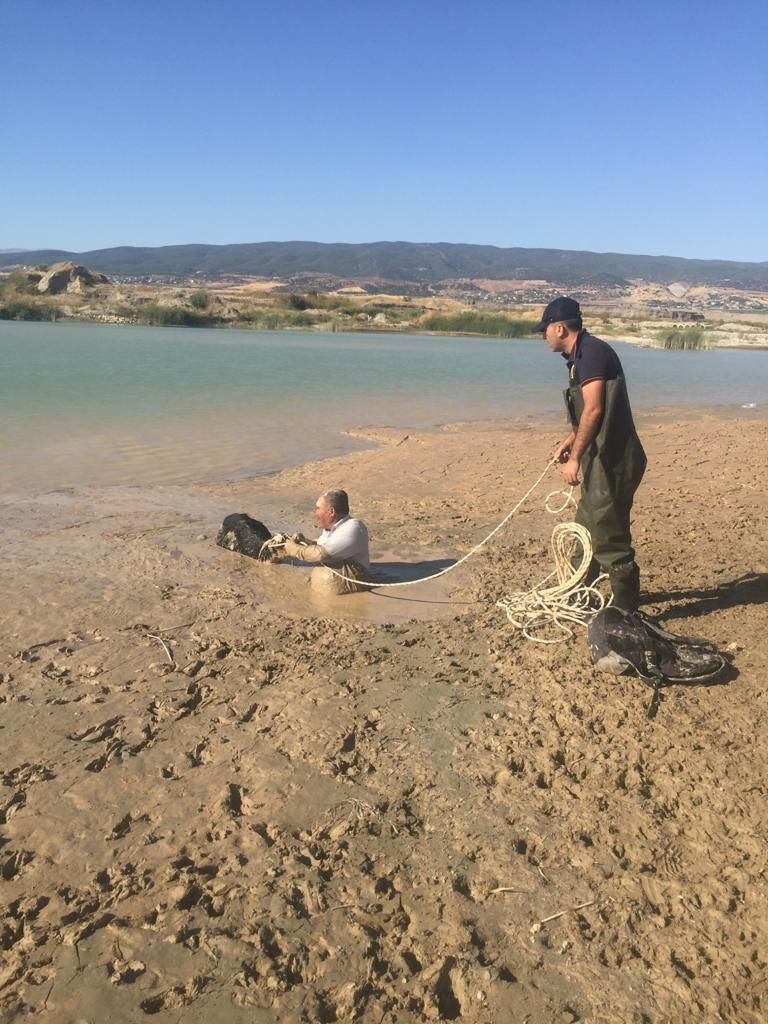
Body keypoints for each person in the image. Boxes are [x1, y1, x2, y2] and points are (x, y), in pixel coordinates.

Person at [534, 296, 647, 611]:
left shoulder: (591, 353)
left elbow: (595, 409)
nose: (543, 336)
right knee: (585, 529)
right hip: (601, 458)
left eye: (544, 329)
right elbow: (592, 411)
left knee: (609, 536)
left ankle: (626, 610)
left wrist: (574, 460)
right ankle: (578, 594)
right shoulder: (580, 356)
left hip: (614, 461)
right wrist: (570, 441)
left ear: (559, 328)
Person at [277, 488, 370, 594]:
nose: (315, 514)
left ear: (331, 511)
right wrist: (305, 542)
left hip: (355, 577)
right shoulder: (332, 527)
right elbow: (322, 545)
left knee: (325, 573)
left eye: (318, 508)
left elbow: (322, 554)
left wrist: (294, 549)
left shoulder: (353, 527)